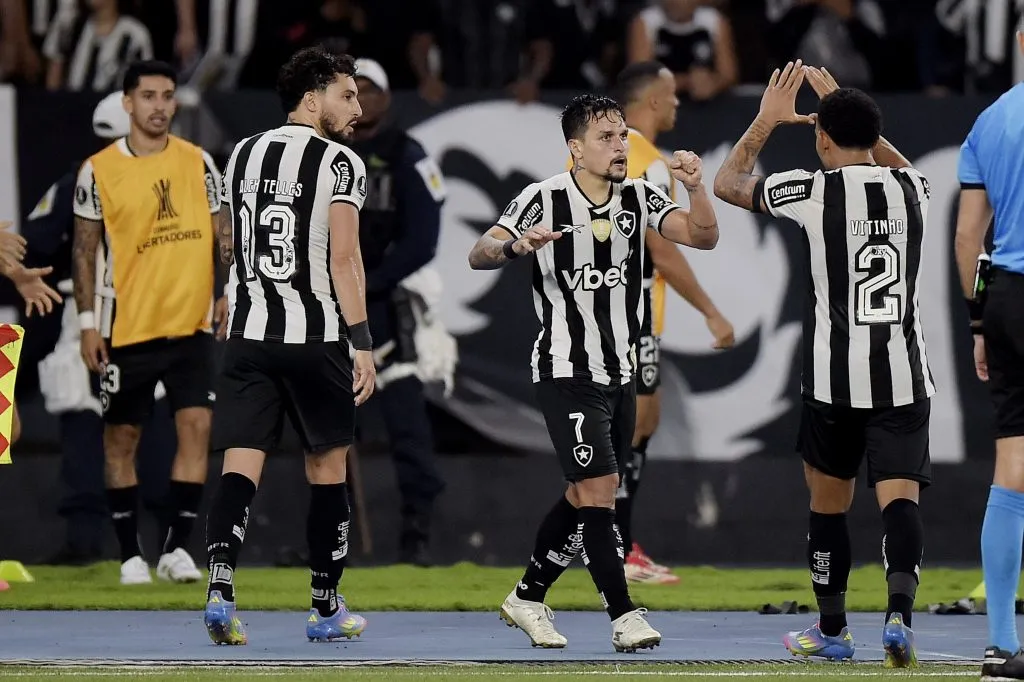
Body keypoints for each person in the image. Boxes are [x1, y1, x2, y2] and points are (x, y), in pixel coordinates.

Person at [469, 94, 720, 652]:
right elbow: (479, 251)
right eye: (606, 138)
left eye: (623, 135)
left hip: (619, 371)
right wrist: (515, 246)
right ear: (576, 149)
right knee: (601, 491)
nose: (620, 146)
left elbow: (703, 236)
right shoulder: (543, 197)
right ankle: (623, 615)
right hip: (565, 368)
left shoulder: (639, 196)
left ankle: (528, 596)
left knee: (583, 493)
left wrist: (698, 188)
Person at [713, 61, 934, 668]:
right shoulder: (913, 189)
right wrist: (852, 113)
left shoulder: (812, 189)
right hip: (903, 377)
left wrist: (765, 121)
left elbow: (728, 184)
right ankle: (898, 618)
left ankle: (833, 630)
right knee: (900, 501)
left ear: (822, 138)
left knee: (827, 505)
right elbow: (897, 164)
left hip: (834, 381)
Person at [202, 46, 375, 646]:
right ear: (311, 97)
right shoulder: (342, 162)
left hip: (248, 334)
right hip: (315, 335)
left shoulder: (242, 153)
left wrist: (231, 293)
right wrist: (362, 342)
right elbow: (344, 259)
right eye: (346, 95)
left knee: (239, 464)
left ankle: (220, 590)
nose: (357, 108)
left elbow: (230, 242)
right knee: (327, 469)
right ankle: (325, 607)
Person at [573, 61, 734, 585]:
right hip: (631, 313)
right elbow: (661, 249)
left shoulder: (595, 154)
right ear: (654, 101)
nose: (679, 103)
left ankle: (614, 541)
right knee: (633, 425)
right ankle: (613, 544)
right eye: (672, 94)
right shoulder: (646, 161)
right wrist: (711, 311)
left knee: (635, 425)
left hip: (601, 309)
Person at [72, 60, 226, 586]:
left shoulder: (199, 162)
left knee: (196, 429)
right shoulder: (98, 170)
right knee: (121, 439)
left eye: (166, 96)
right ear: (128, 103)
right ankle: (129, 554)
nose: (159, 106)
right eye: (148, 96)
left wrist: (227, 290)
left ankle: (177, 548)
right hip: (127, 327)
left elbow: (223, 231)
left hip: (191, 323)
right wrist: (87, 322)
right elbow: (84, 251)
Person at [31, 91, 178, 566]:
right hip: (92, 310)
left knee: (150, 416)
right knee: (82, 409)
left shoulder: (174, 180)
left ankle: (170, 542)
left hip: (149, 311)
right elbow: (36, 243)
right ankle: (86, 540)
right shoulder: (79, 179)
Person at [346, 57, 447, 566]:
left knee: (406, 420)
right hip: (330, 305)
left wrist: (372, 282)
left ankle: (418, 533)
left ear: (385, 98)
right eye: (351, 90)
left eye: (369, 89)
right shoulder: (323, 153)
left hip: (388, 305)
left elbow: (423, 240)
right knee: (329, 424)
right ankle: (330, 538)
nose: (360, 98)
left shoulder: (408, 155)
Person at [953, 30, 1024, 682]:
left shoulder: (991, 120)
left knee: (1013, 465)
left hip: (1005, 298)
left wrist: (979, 321)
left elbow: (968, 237)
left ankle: (1002, 645)